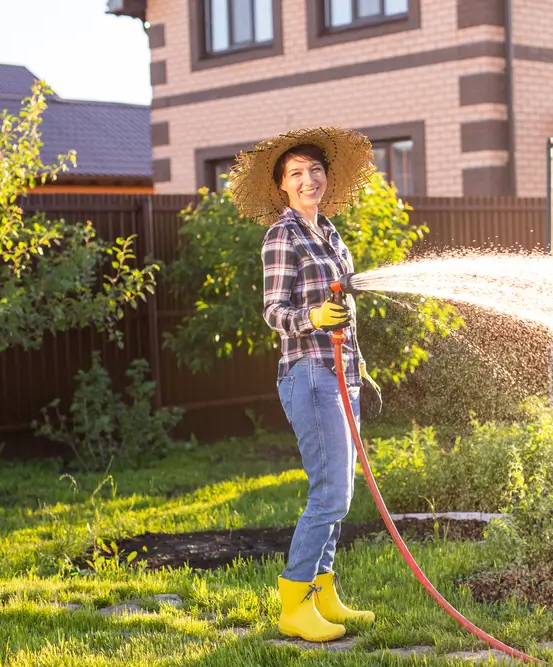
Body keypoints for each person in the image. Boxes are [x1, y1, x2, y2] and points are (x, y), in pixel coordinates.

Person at [230, 126, 383, 643]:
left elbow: (345, 303)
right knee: (330, 493)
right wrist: (313, 316)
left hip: (342, 374)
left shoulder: (330, 232)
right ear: (282, 187)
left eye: (315, 170)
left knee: (342, 489)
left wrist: (358, 364)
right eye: (296, 173)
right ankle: (295, 601)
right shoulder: (282, 235)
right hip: (310, 375)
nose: (308, 179)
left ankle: (324, 591)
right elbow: (275, 312)